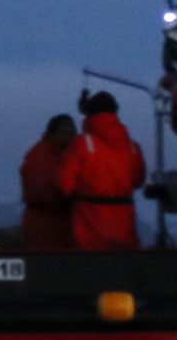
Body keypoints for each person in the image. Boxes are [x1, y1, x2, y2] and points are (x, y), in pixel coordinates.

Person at [56, 92, 148, 251]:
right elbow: (138, 180)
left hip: (89, 227)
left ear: (90, 113)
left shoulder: (82, 144)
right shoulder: (132, 147)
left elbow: (65, 185)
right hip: (124, 226)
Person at [17, 114, 78, 251]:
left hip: (58, 224)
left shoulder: (66, 155)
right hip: (46, 224)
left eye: (71, 133)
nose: (69, 137)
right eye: (64, 133)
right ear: (52, 133)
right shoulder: (40, 156)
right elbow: (38, 192)